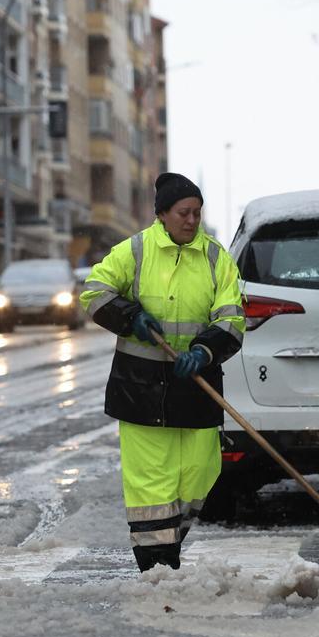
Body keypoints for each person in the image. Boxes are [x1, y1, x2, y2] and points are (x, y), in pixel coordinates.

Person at [80, 172, 246, 572]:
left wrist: (205, 350)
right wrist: (131, 316)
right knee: (150, 483)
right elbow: (94, 291)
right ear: (162, 215)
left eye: (197, 213)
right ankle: (156, 566)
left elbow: (233, 316)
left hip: (195, 386)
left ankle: (169, 541)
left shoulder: (215, 258)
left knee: (200, 473)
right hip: (140, 389)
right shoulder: (134, 251)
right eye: (183, 212)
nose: (192, 220)